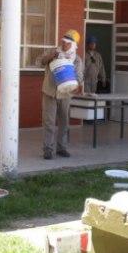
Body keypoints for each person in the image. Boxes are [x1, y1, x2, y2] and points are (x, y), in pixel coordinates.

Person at [36, 29, 84, 160]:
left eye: (68, 43)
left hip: (65, 95)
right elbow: (39, 61)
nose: (64, 45)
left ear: (74, 45)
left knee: (64, 122)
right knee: (48, 122)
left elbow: (79, 77)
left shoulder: (77, 60)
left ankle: (62, 148)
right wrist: (52, 56)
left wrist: (76, 85)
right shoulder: (53, 52)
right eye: (63, 41)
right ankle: (48, 149)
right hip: (49, 93)